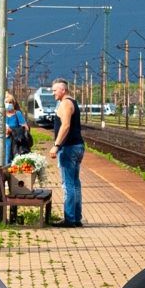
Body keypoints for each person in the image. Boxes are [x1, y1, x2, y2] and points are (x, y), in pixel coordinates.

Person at [51, 79, 86, 227]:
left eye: (54, 90)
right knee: (75, 184)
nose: (53, 93)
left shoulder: (65, 103)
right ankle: (76, 218)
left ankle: (70, 219)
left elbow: (65, 126)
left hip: (69, 148)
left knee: (68, 184)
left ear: (63, 90)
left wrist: (56, 145)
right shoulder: (74, 102)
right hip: (77, 146)